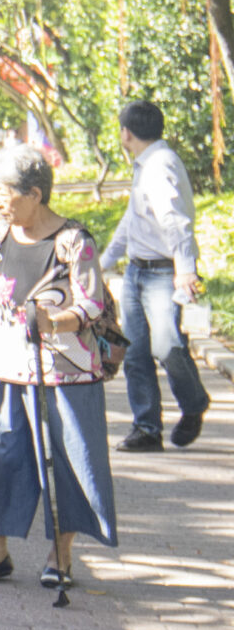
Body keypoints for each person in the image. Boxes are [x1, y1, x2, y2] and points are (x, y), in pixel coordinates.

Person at [0, 145, 117, 588]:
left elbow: (91, 304)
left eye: (5, 192)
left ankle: (60, 558)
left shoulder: (73, 240)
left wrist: (54, 321)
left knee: (66, 462)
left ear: (35, 193)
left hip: (65, 371)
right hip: (6, 366)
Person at [102, 100, 209, 451]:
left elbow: (173, 221)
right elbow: (134, 220)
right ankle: (146, 429)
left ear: (126, 133)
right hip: (137, 271)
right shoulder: (145, 165)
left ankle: (193, 403)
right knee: (135, 354)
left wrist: (185, 270)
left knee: (167, 347)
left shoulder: (159, 167)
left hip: (163, 274)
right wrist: (105, 260)